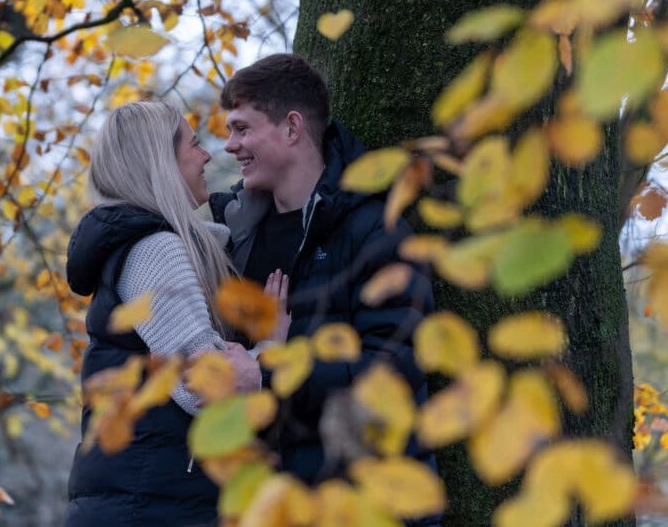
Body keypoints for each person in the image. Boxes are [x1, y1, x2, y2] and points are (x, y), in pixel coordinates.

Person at [209, 54, 437, 494]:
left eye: (242, 129)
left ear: (292, 128)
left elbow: (391, 380)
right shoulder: (235, 241)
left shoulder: (374, 233)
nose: (229, 146)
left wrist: (270, 371)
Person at [64, 101, 279, 527]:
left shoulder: (144, 245)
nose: (207, 156)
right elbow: (205, 384)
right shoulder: (154, 250)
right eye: (195, 144)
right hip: (148, 507)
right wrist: (275, 350)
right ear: (161, 161)